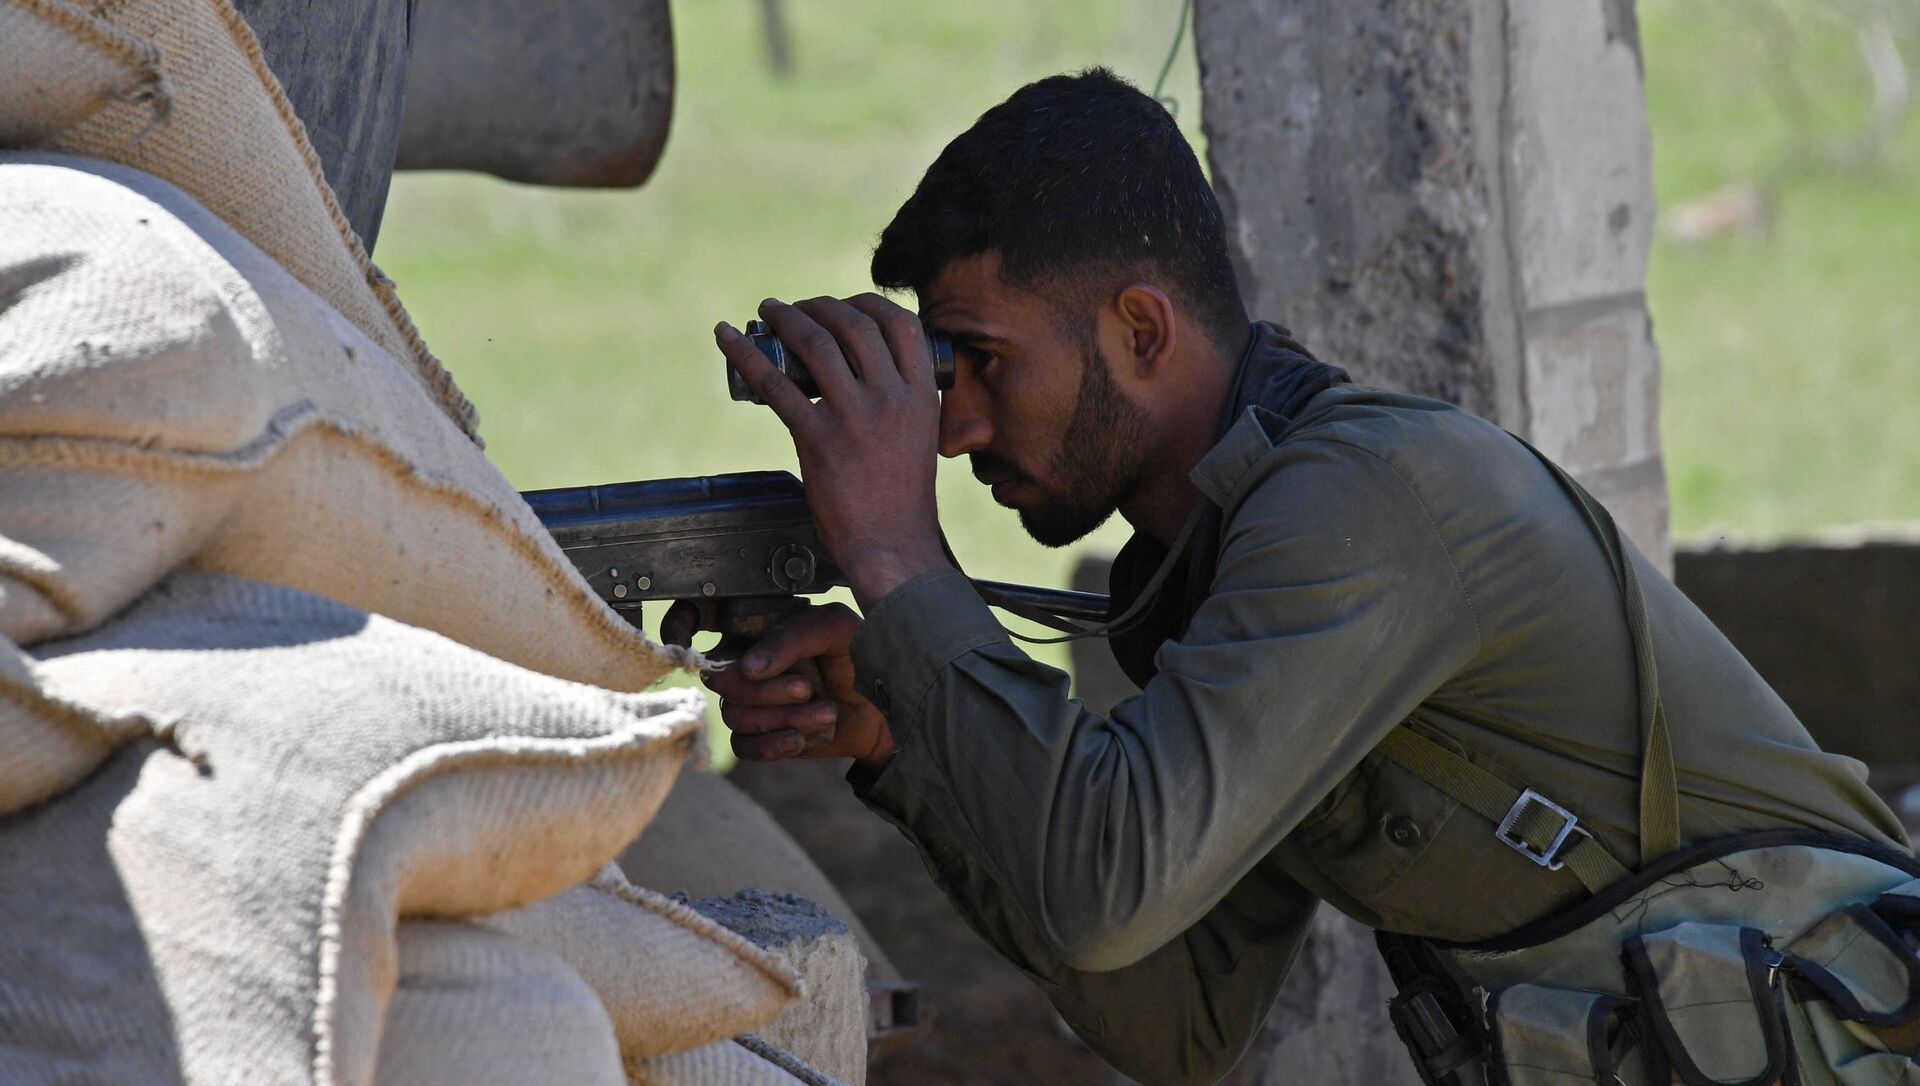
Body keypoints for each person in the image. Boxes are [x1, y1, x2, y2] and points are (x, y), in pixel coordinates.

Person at [671, 69, 1919, 1085]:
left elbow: (1107, 889)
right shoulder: (1211, 566)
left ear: (1142, 331)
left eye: (983, 362)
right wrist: (909, 737)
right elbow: (1178, 1020)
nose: (954, 430)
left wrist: (898, 558)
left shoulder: (1362, 503)